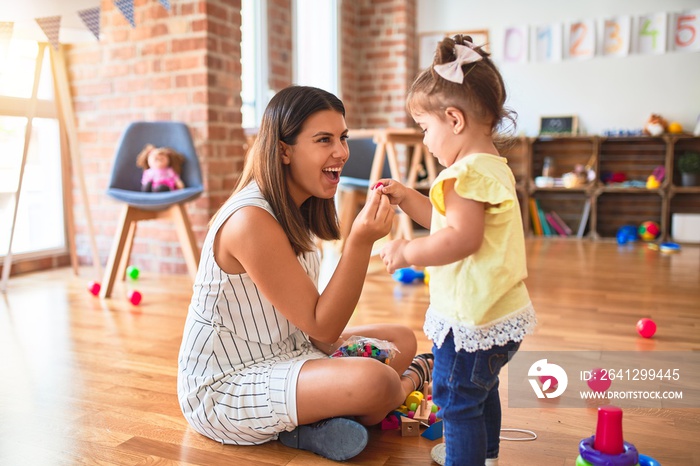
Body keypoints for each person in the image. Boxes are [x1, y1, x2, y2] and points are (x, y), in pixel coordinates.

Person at [177, 85, 433, 462]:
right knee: (377, 381)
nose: (341, 152)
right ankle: (412, 379)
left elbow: (313, 328)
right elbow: (323, 326)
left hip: (291, 351)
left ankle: (312, 423)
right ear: (283, 149)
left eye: (342, 137)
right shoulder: (250, 220)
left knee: (400, 340)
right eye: (324, 139)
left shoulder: (299, 207)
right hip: (227, 388)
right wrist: (360, 242)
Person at [377, 35, 537, 466]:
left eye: (426, 129)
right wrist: (407, 195)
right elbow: (447, 221)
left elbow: (460, 239)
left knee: (456, 397)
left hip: (472, 319)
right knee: (479, 391)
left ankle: (466, 458)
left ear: (454, 119)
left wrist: (408, 252)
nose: (426, 141)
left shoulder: (462, 176)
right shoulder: (491, 168)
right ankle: (484, 454)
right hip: (501, 315)